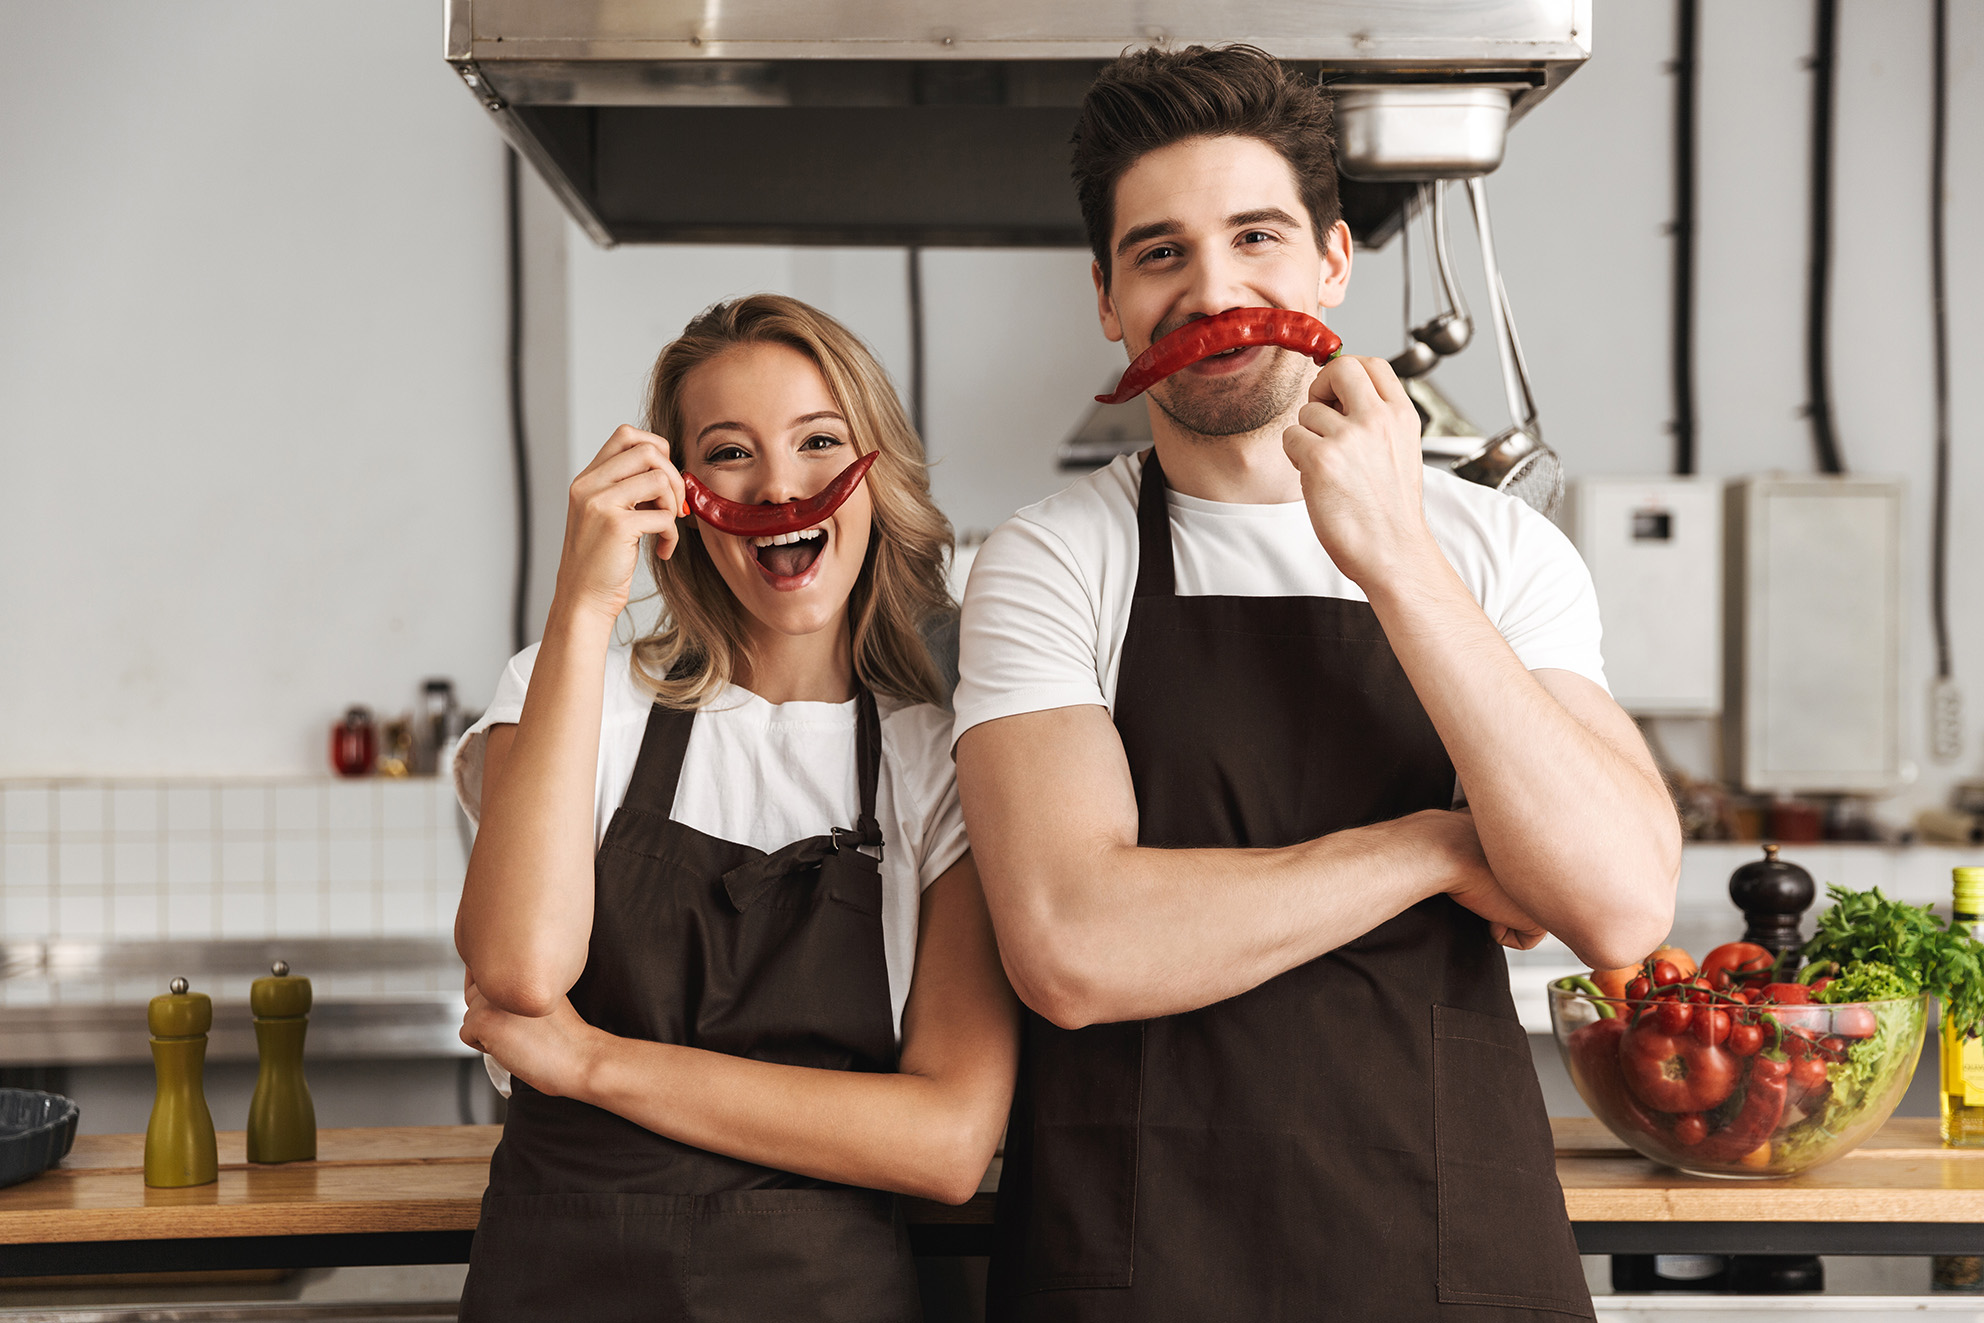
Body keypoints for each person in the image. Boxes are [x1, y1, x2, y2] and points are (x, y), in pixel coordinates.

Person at [953, 46, 1681, 1321]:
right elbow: (1073, 947)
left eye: (1256, 237)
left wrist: (1398, 557)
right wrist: (1436, 848)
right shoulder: (1054, 558)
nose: (1213, 287)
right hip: (1134, 1252)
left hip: (1446, 1241)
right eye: (1159, 252)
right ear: (1108, 298)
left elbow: (1617, 905)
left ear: (1333, 263)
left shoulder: (1494, 550)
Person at [451, 294, 1019, 1322]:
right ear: (679, 492)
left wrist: (588, 1062)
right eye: (728, 453)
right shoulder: (574, 692)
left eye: (818, 441)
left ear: (876, 473)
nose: (778, 487)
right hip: (561, 1290)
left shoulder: (937, 759)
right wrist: (583, 605)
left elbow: (942, 1144)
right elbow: (518, 970)